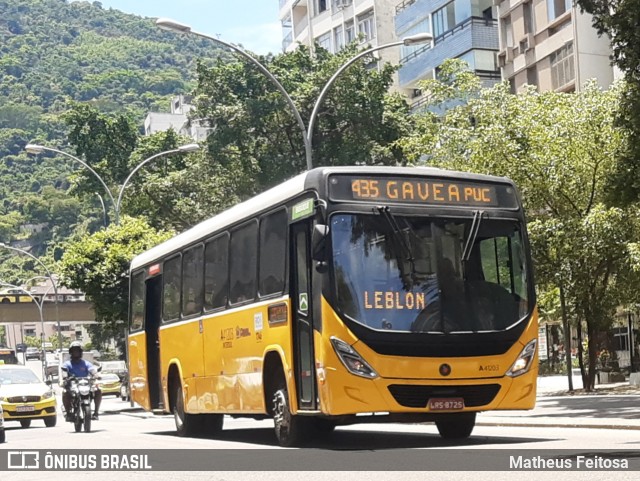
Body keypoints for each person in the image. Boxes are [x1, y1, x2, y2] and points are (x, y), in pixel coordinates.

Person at [61, 341, 102, 421]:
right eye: (74, 351)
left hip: (85, 384)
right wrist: (65, 376)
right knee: (65, 392)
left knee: (98, 391)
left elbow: (92, 370)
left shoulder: (86, 363)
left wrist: (96, 375)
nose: (76, 352)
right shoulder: (67, 364)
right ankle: (68, 413)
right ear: (71, 352)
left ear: (80, 352)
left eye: (77, 350)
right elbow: (64, 371)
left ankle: (96, 413)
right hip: (72, 385)